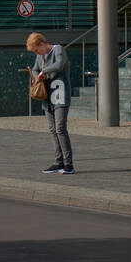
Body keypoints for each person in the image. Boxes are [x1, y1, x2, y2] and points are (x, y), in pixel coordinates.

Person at [27, 31, 75, 174]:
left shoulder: (58, 50)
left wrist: (44, 71)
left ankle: (68, 164)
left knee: (60, 128)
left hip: (60, 94)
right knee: (52, 129)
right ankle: (58, 161)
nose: (37, 53)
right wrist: (37, 76)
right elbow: (35, 69)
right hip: (47, 96)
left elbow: (59, 65)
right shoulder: (39, 56)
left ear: (42, 44)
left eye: (37, 49)